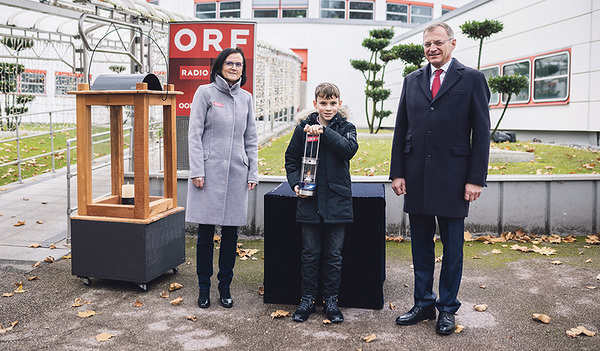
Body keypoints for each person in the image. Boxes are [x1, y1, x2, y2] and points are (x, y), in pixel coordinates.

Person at [389, 22, 491, 335]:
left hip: (454, 179)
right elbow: (401, 128)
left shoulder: (472, 79)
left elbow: (482, 133)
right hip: (416, 176)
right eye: (427, 44)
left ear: (452, 43)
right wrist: (397, 172)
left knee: (453, 250)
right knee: (420, 246)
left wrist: (475, 179)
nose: (432, 48)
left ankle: (447, 308)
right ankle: (423, 303)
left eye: (438, 42)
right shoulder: (412, 80)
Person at [186, 47, 258, 309]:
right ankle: (203, 288)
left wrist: (253, 171)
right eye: (230, 63)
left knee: (230, 235)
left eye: (239, 64)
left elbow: (250, 138)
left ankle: (224, 287)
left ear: (243, 70)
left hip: (236, 173)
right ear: (219, 66)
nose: (234, 68)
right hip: (208, 173)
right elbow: (194, 134)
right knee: (205, 235)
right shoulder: (205, 93)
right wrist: (197, 170)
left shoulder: (247, 98)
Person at [284, 82, 358, 323]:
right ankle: (306, 300)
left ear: (339, 103)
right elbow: (291, 159)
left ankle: (331, 301)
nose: (328, 108)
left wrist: (325, 133)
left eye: (333, 103)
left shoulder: (347, 128)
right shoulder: (302, 129)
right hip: (309, 200)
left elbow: (348, 150)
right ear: (315, 104)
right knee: (310, 253)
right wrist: (295, 182)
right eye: (323, 103)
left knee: (334, 255)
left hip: (337, 201)